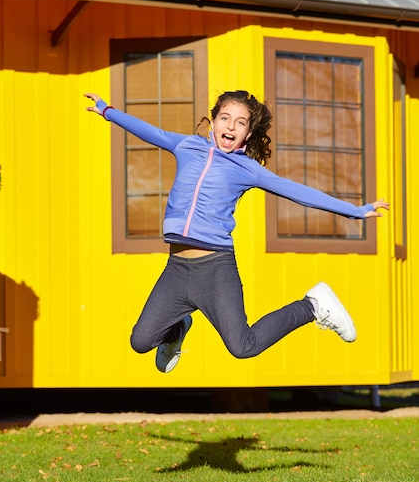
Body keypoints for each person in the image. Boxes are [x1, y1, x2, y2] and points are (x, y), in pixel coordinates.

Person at [85, 90, 389, 373]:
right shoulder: (187, 146)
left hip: (215, 269)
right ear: (214, 121)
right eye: (225, 118)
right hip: (176, 269)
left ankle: (312, 306)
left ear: (248, 132)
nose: (231, 126)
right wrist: (108, 111)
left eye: (241, 122)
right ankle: (177, 329)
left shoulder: (247, 169)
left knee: (244, 347)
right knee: (140, 342)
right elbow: (148, 131)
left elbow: (298, 191)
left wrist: (357, 211)